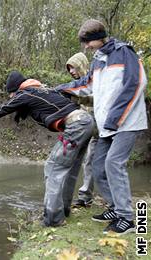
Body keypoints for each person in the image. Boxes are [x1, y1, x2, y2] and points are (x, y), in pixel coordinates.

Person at [0, 71, 94, 227]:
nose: (11, 98)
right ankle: (63, 210)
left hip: (77, 125)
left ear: (16, 89)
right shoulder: (41, 90)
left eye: (11, 94)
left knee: (53, 167)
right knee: (69, 169)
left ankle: (53, 219)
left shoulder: (25, 94)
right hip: (86, 122)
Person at [56, 19, 148, 234]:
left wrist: (116, 117)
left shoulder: (124, 52)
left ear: (98, 38)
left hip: (126, 122)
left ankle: (128, 219)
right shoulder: (98, 60)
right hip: (107, 125)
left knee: (114, 164)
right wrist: (57, 89)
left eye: (88, 43)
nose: (86, 47)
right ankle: (115, 207)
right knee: (98, 167)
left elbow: (136, 84)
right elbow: (85, 85)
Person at [66, 52, 97, 208]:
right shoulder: (77, 85)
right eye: (69, 69)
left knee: (91, 161)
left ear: (81, 65)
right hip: (84, 129)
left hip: (100, 130)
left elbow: (99, 100)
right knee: (76, 159)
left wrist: (80, 98)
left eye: (73, 68)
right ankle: (73, 197)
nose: (71, 72)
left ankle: (85, 198)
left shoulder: (95, 80)